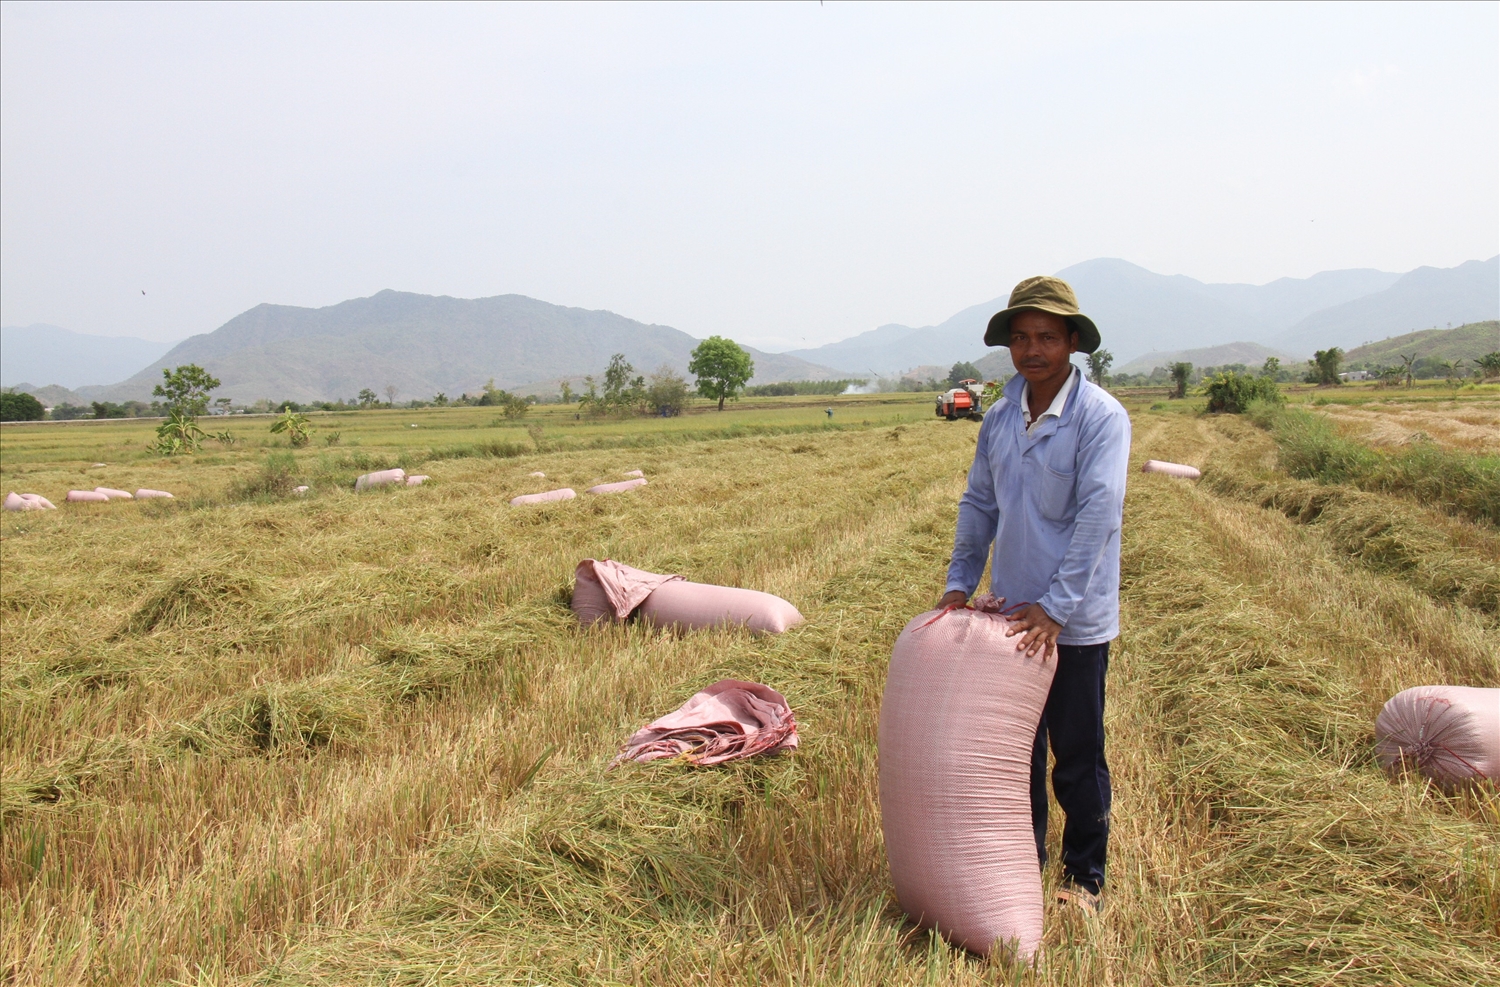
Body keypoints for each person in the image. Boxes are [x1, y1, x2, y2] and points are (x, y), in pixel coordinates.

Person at [938, 275, 1131, 915]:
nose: (1032, 350)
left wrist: (1056, 609)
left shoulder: (1100, 418)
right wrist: (960, 583)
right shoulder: (997, 416)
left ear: (1072, 342)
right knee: (1012, 754)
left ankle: (1085, 878)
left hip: (1071, 623)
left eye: (1047, 336)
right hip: (1009, 617)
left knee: (1077, 753)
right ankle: (1023, 866)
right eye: (1020, 338)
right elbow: (979, 503)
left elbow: (1097, 518)